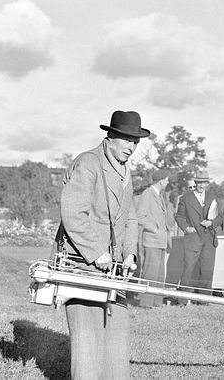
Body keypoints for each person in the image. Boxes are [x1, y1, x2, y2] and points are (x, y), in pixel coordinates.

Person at [59, 110, 149, 379]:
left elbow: (130, 216)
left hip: (115, 271)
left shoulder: (124, 169)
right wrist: (97, 252)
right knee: (87, 345)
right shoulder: (88, 163)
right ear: (110, 137)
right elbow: (73, 214)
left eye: (136, 142)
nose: (131, 148)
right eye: (127, 141)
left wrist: (130, 253)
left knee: (117, 341)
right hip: (83, 266)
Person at [175, 170, 217, 299]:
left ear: (207, 183)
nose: (201, 186)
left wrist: (211, 223)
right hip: (193, 239)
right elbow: (179, 217)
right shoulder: (185, 198)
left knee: (207, 270)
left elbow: (220, 217)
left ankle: (204, 300)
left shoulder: (213, 197)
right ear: (195, 182)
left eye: (204, 183)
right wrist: (186, 228)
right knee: (188, 269)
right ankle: (182, 299)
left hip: (209, 239)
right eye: (199, 183)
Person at [136, 168, 173, 308]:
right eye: (166, 179)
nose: (168, 182)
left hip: (160, 241)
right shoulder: (147, 194)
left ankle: (156, 303)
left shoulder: (159, 195)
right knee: (150, 273)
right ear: (160, 181)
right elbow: (140, 216)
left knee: (159, 274)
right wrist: (155, 229)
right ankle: (145, 304)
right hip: (152, 240)